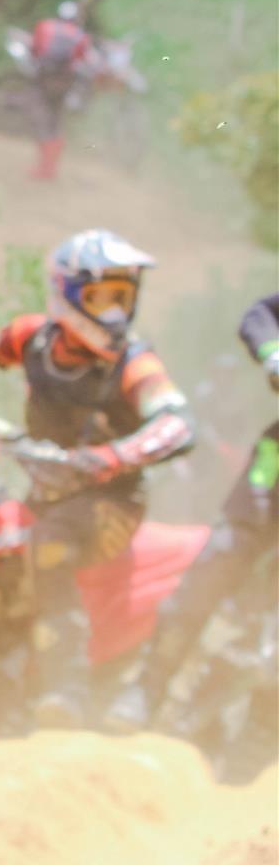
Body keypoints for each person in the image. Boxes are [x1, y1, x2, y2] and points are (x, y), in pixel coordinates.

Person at [0, 230, 194, 723]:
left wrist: (109, 457)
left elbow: (176, 422)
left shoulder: (133, 362)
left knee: (49, 545)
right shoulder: (34, 338)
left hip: (111, 505)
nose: (114, 313)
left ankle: (68, 692)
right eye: (100, 297)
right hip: (48, 493)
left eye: (122, 298)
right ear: (67, 292)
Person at [107, 294, 279, 728]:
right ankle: (147, 688)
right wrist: (274, 353)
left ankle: (257, 736)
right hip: (272, 467)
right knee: (218, 560)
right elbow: (260, 314)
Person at [28, 0, 93, 181]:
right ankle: (51, 168)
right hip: (65, 83)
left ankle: (43, 167)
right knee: (56, 122)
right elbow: (82, 59)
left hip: (44, 80)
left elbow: (34, 50)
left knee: (42, 120)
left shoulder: (44, 26)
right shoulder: (80, 35)